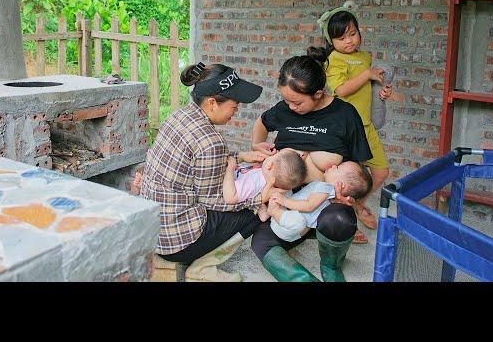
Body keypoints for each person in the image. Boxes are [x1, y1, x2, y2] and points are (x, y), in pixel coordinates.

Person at [131, 62, 267, 282]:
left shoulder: (179, 116)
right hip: (176, 242)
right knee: (257, 211)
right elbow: (215, 201)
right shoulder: (212, 142)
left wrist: (240, 156)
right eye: (234, 105)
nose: (237, 110)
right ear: (212, 102)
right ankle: (203, 268)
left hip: (154, 231)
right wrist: (258, 199)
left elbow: (196, 157)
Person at [250, 54, 373, 282]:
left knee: (340, 221)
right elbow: (261, 123)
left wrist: (353, 201)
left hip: (325, 206)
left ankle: (331, 267)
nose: (291, 107)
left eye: (297, 102)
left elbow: (358, 169)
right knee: (261, 242)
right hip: (285, 202)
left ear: (318, 94)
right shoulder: (285, 110)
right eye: (287, 101)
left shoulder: (345, 115)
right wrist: (258, 145)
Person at [312, 3, 393, 239]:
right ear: (331, 41)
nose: (349, 41)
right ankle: (346, 225)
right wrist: (367, 74)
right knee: (348, 181)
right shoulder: (334, 60)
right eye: (341, 38)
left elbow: (366, 89)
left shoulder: (364, 57)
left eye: (353, 34)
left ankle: (358, 206)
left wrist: (381, 93)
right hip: (347, 128)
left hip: (366, 125)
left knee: (381, 171)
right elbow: (343, 90)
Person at [267, 161, 372, 243]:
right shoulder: (330, 196)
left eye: (338, 168)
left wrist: (285, 201)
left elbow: (308, 206)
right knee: (287, 187)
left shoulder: (325, 189)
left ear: (342, 185)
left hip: (286, 225)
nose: (334, 166)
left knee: (297, 218)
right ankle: (268, 212)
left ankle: (273, 211)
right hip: (287, 223)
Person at [223, 148, 307, 222]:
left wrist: (230, 169)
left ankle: (263, 210)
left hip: (231, 187)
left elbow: (230, 198)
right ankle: (263, 211)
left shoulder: (253, 182)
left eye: (273, 156)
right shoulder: (268, 173)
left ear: (270, 165)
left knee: (257, 199)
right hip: (256, 190)